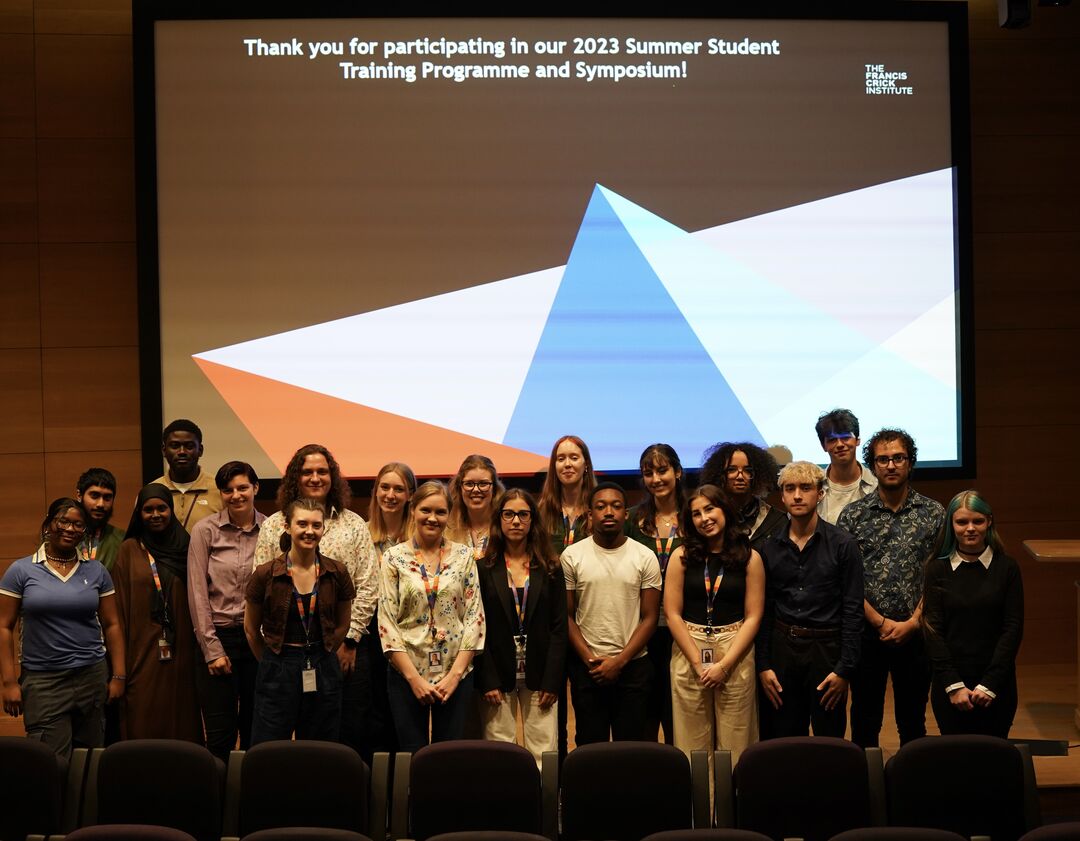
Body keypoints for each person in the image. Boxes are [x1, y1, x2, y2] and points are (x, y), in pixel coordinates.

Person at [254, 443, 378, 757]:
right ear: (296, 477)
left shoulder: (353, 524)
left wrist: (347, 641)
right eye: (307, 471)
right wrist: (272, 655)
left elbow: (366, 585)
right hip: (283, 653)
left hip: (338, 652)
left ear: (332, 477)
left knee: (332, 740)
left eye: (322, 471)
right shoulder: (273, 524)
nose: (315, 477)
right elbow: (262, 590)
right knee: (272, 746)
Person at [837, 428, 944, 748]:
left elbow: (940, 576)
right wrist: (879, 621)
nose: (891, 465)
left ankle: (911, 787)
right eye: (882, 460)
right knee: (865, 718)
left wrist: (913, 622)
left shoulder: (934, 513)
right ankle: (865, 789)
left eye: (898, 458)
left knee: (912, 719)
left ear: (910, 463)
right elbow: (845, 579)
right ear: (873, 465)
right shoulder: (854, 515)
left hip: (917, 630)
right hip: (868, 633)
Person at [0, 498, 125, 758]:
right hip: (43, 682)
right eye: (64, 521)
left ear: (84, 532)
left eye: (78, 525)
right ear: (48, 525)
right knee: (52, 763)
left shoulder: (97, 570)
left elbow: (112, 625)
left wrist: (118, 676)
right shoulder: (21, 570)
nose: (70, 529)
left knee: (91, 762)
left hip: (91, 676)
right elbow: (4, 626)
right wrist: (9, 682)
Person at [756, 462, 863, 738]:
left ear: (821, 494)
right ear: (782, 496)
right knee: (785, 738)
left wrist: (844, 670)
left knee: (830, 737)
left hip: (826, 650)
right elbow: (764, 610)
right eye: (790, 489)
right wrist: (764, 665)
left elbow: (853, 610)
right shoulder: (769, 547)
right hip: (782, 650)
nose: (797, 496)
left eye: (805, 488)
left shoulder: (843, 545)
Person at [379, 481, 485, 753]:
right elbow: (387, 623)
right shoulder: (393, 557)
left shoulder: (464, 556)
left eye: (440, 512)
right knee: (412, 755)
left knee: (449, 758)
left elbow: (475, 617)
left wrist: (455, 675)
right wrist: (414, 679)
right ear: (413, 510)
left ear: (449, 515)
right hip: (407, 674)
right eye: (425, 510)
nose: (432, 518)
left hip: (455, 673)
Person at [665, 484, 764, 764]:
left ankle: (732, 808)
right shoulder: (681, 556)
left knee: (736, 743)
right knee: (691, 745)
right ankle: (701, 808)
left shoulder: (750, 557)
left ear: (725, 510)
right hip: (690, 648)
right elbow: (672, 613)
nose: (704, 518)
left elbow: (754, 615)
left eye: (710, 508)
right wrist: (698, 663)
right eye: (696, 514)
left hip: (734, 648)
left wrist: (724, 665)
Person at [245, 498, 355, 743]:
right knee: (269, 749)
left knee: (321, 748)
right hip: (278, 664)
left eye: (316, 525)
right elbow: (251, 630)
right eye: (302, 524)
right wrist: (272, 663)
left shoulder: (337, 573)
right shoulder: (265, 574)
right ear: (287, 526)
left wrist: (324, 653)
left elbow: (343, 624)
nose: (309, 531)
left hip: (323, 665)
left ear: (323, 528)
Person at [563, 482, 662, 744]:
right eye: (601, 506)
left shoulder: (645, 556)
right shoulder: (572, 556)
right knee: (589, 746)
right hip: (588, 667)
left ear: (625, 514)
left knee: (631, 748)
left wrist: (619, 662)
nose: (609, 512)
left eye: (616, 506)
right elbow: (567, 616)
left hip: (633, 666)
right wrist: (591, 661)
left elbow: (650, 617)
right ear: (590, 514)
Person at [477, 489, 567, 769]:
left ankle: (543, 809)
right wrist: (487, 678)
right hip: (497, 675)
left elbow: (559, 628)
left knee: (544, 751)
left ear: (532, 521)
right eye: (509, 514)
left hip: (540, 674)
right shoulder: (482, 568)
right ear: (499, 520)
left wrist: (553, 681)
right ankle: (504, 809)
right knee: (498, 751)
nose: (516, 521)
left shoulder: (551, 567)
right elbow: (476, 625)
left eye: (523, 514)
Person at [923, 490, 1024, 738]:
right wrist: (953, 685)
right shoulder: (937, 568)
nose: (970, 528)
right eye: (962, 522)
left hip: (997, 684)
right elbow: (933, 629)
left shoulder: (1007, 567)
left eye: (977, 521)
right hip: (951, 686)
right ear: (951, 525)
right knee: (956, 762)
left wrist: (990, 684)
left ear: (989, 522)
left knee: (994, 761)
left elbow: (1013, 627)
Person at [187, 460, 265, 761]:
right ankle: (218, 802)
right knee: (220, 734)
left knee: (254, 730)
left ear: (255, 488)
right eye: (228, 490)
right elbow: (196, 592)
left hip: (256, 639)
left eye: (243, 487)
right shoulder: (205, 530)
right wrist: (211, 649)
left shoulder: (270, 528)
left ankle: (249, 801)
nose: (236, 495)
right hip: (217, 636)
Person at [113, 484, 203, 742]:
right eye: (148, 509)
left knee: (181, 711)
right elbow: (118, 607)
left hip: (182, 648)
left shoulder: (187, 547)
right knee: (141, 709)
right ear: (139, 514)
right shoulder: (128, 549)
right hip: (140, 648)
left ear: (171, 511)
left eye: (161, 508)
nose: (155, 514)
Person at [627, 443, 686, 743]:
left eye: (662, 471)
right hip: (643, 628)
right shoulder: (631, 520)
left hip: (685, 629)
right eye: (648, 473)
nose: (656, 479)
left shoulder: (695, 517)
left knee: (680, 714)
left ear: (677, 472)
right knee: (645, 714)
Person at [364, 461, 417, 757]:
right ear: (375, 492)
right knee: (376, 710)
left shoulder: (420, 536)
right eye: (385, 487)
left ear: (410, 494)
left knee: (405, 714)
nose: (391, 495)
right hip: (371, 632)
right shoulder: (361, 532)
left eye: (399, 489)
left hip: (410, 632)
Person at [700, 442, 786, 550]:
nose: (740, 476)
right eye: (732, 470)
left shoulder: (776, 520)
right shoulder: (707, 518)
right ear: (720, 475)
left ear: (758, 475)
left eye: (748, 470)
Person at [153, 419, 223, 532]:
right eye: (175, 446)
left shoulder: (220, 489)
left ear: (200, 450)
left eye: (189, 446)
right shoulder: (152, 491)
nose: (182, 452)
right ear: (164, 450)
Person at [814, 409, 878, 525]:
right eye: (832, 440)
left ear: (857, 440)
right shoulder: (813, 488)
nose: (839, 445)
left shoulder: (877, 484)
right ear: (824, 446)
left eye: (845, 437)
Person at [538, 435, 596, 557]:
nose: (567, 464)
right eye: (561, 459)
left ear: (586, 464)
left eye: (574, 458)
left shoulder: (597, 509)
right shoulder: (541, 511)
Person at [447, 454, 504, 561]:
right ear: (460, 488)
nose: (476, 490)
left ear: (494, 488)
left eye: (483, 484)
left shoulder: (504, 528)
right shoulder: (447, 528)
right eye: (469, 484)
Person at [75, 467, 125, 570]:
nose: (101, 504)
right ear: (79, 495)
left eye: (107, 498)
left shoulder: (122, 540)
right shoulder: (63, 536)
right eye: (94, 496)